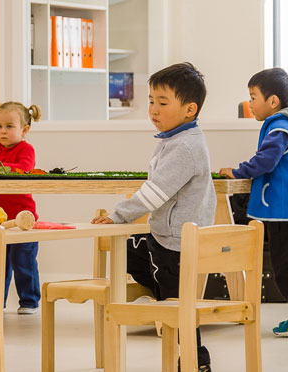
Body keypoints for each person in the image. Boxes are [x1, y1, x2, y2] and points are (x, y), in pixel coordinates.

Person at [92, 62, 216, 372]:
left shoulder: (185, 147)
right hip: (167, 236)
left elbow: (154, 193)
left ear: (190, 109)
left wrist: (119, 216)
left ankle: (195, 359)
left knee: (179, 307)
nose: (153, 110)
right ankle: (159, 293)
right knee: (130, 251)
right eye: (150, 101)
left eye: (162, 103)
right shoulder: (175, 141)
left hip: (175, 243)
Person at [219, 67, 288, 337]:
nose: (250, 104)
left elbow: (266, 160)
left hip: (284, 209)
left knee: (285, 264)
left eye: (253, 97)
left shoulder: (279, 127)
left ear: (273, 101)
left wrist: (238, 171)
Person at [0, 101, 42, 314]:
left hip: (23, 218)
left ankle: (29, 301)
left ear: (24, 129)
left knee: (23, 261)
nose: (3, 131)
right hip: (0, 220)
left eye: (9, 126)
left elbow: (23, 168)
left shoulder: (25, 149)